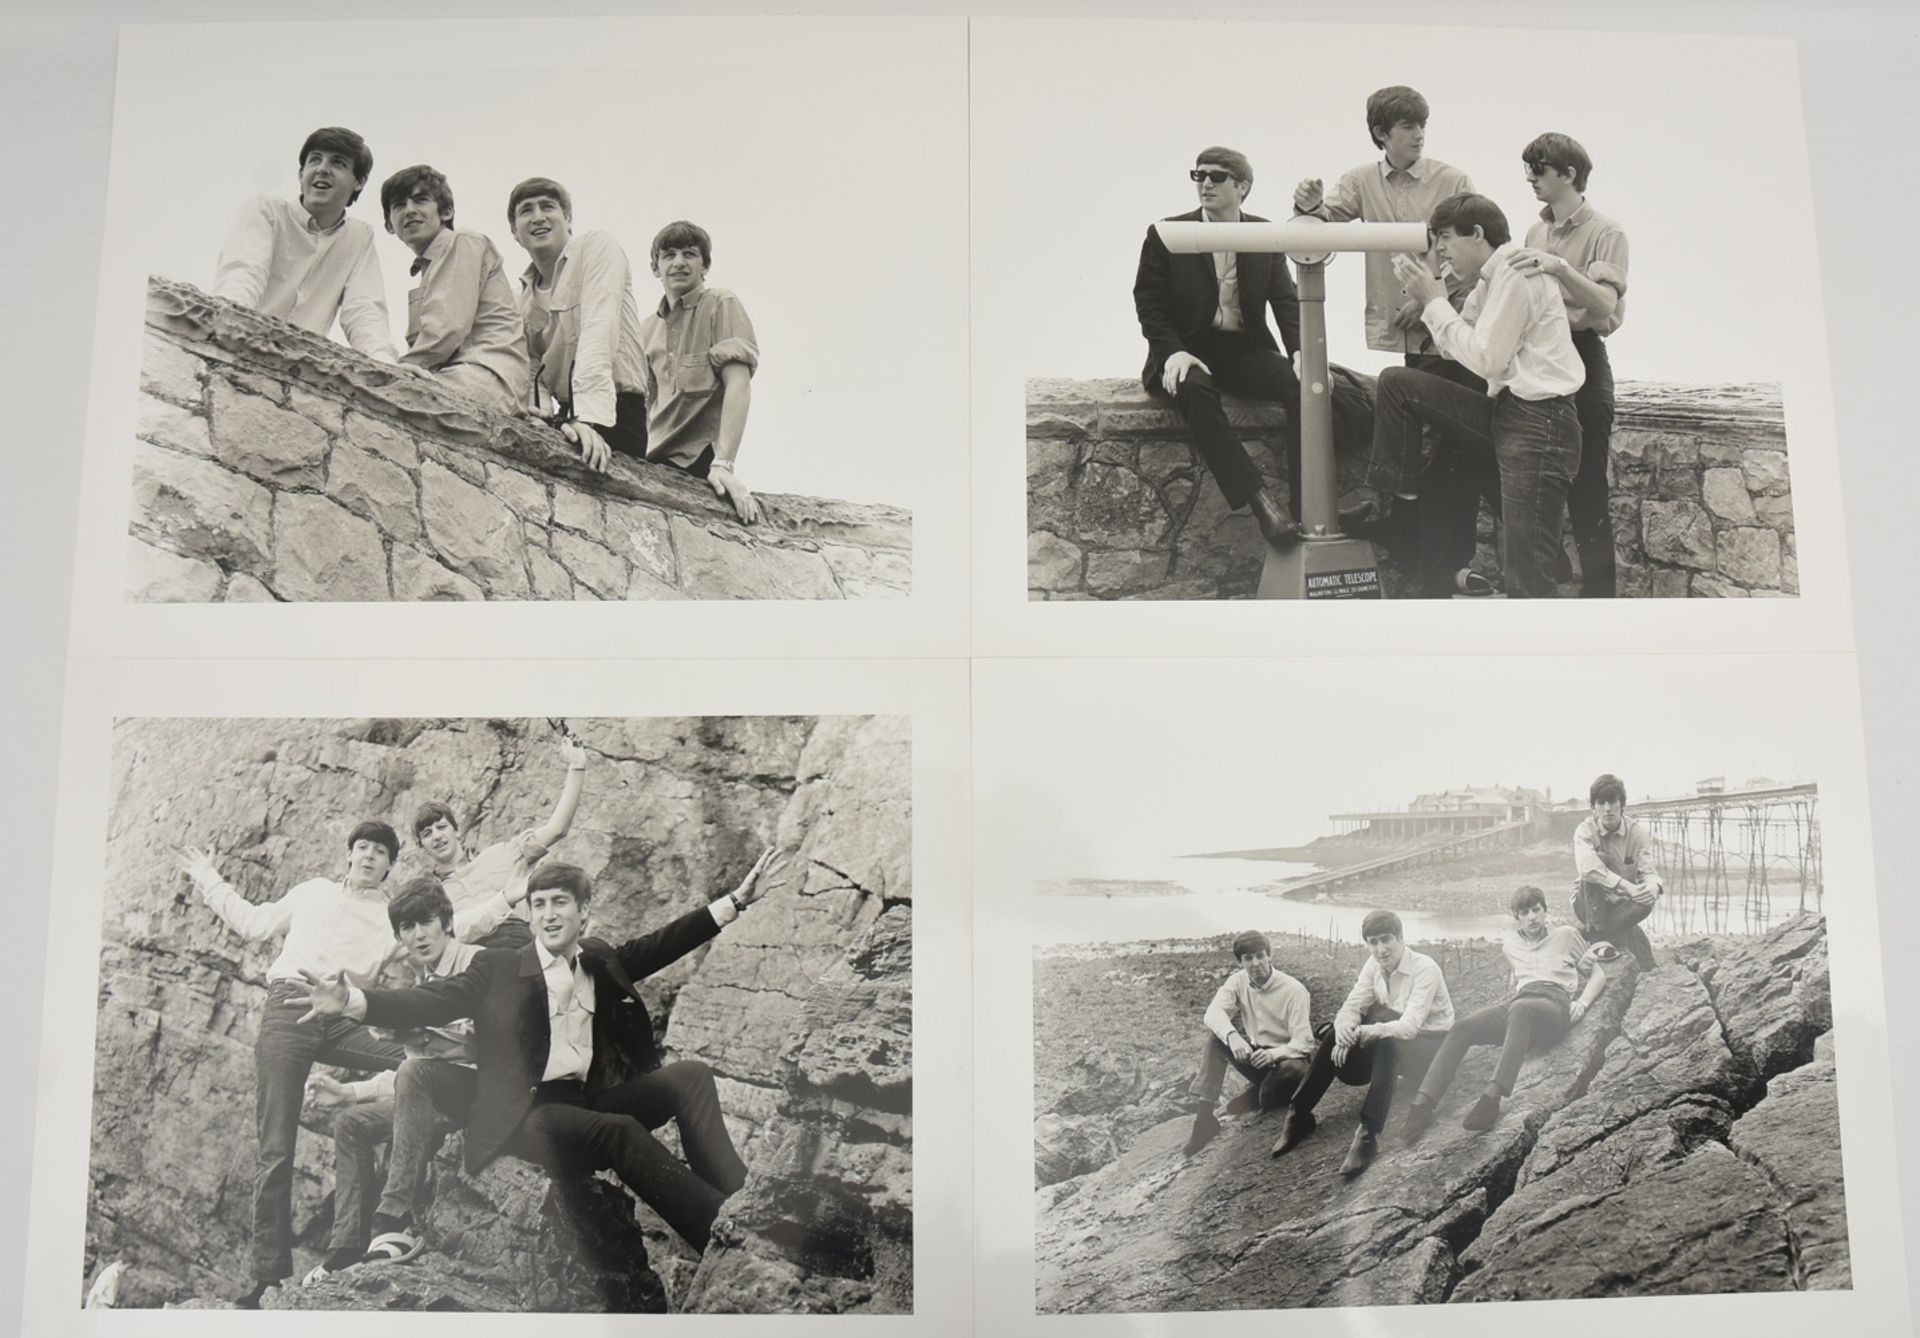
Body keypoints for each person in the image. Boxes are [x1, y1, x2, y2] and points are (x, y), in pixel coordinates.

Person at [292, 849, 794, 1254]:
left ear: (583, 911)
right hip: (525, 1117)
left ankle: (740, 1200)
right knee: (617, 1133)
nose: (550, 914)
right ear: (529, 914)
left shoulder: (596, 958)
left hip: (587, 1102)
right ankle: (723, 1234)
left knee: (690, 1076)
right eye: (540, 905)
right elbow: (428, 999)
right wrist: (353, 1001)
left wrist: (734, 903)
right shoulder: (499, 969)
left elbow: (659, 945)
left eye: (560, 902)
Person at [176, 823, 410, 1309]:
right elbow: (255, 923)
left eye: (381, 851)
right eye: (363, 847)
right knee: (277, 1146)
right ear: (349, 854)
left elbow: (451, 927)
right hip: (288, 1010)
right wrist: (206, 876)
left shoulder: (392, 917)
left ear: (390, 865)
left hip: (342, 1017)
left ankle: (373, 1232)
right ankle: (267, 1279)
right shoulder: (314, 892)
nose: (369, 856)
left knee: (419, 1064)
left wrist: (507, 899)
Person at [1294, 87, 1491, 590]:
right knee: (1428, 446)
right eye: (1407, 126)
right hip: (1410, 339)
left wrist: (1432, 298)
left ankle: (1439, 555)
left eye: (1422, 124)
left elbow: (1475, 250)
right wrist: (1310, 206)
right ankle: (1432, 558)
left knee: (1454, 453)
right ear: (1382, 134)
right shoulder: (1362, 181)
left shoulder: (1452, 180)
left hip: (1457, 334)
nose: (1419, 134)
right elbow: (1321, 225)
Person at [1352, 193, 1586, 599]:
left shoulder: (1518, 273)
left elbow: (1487, 361)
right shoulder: (1488, 282)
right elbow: (1454, 346)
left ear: (1477, 234)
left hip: (1541, 424)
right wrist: (1434, 288)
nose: (1440, 248)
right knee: (1398, 382)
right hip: (1509, 413)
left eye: (1445, 238)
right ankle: (1404, 510)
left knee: (1527, 582)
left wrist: (1433, 300)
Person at [303, 878, 484, 1280]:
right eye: (406, 927)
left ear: (448, 921)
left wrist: (436, 1038)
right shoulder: (423, 985)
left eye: (426, 922)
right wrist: (349, 1092)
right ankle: (346, 1247)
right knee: (351, 1123)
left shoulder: (478, 963)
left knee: (417, 1071)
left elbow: (502, 1048)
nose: (418, 935)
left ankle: (392, 1220)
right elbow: (408, 1079)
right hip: (438, 1099)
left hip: (488, 1095)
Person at [1134, 146, 1306, 550]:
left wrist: (1301, 353)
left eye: (1217, 176)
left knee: (1304, 385)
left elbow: (1286, 301)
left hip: (1242, 351)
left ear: (1242, 186)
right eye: (1199, 175)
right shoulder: (1166, 233)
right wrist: (1171, 352)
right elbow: (1149, 303)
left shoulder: (1265, 235)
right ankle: (1263, 505)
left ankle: (1305, 507)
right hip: (1186, 349)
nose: (1205, 183)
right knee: (1193, 389)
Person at [1512, 133, 1630, 598]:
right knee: (1537, 477)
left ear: (1568, 175)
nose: (1530, 179)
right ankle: (1551, 582)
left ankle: (1600, 598)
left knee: (1588, 485)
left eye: (1539, 170)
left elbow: (1604, 307)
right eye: (1529, 169)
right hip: (1542, 357)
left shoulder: (1607, 232)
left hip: (1583, 355)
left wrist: (1560, 268)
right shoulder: (1534, 231)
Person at [1401, 885, 1608, 1141]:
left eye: (1536, 910)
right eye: (1525, 912)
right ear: (1516, 917)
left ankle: (1492, 1099)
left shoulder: (1567, 935)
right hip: (1522, 1005)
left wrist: (1583, 1003)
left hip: (1554, 1007)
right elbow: (1520, 982)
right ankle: (1423, 1104)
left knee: (1521, 1009)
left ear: (1545, 912)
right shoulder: (1510, 947)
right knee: (1464, 1026)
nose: (1532, 917)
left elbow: (1598, 974)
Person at [1272, 910, 1454, 1176]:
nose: (1380, 949)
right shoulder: (1373, 966)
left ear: (1401, 937)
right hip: (1397, 1043)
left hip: (1432, 1050)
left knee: (1385, 1038)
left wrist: (1365, 1031)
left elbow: (1410, 1026)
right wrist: (1345, 1030)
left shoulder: (1425, 968)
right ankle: (1299, 1113)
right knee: (1337, 1034)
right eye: (1373, 942)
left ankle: (1368, 1132)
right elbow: (1352, 1005)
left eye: (1385, 940)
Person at [212, 127, 397, 361]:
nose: (322, 169)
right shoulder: (266, 211)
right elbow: (244, 273)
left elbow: (364, 309)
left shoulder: (359, 238)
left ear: (359, 182)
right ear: (301, 174)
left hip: (299, 369)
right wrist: (228, 323)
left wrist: (385, 362)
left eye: (337, 163)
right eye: (315, 160)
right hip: (238, 346)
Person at [506, 177, 651, 476]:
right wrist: (540, 417)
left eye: (548, 206)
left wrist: (588, 418)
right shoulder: (521, 299)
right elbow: (532, 367)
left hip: (613, 411)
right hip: (565, 417)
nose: (538, 217)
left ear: (568, 219)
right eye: (526, 211)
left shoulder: (596, 247)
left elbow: (600, 327)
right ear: (514, 232)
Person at [410, 733, 589, 951]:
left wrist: (576, 767)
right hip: (473, 964)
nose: (437, 836)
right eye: (427, 833)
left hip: (521, 949)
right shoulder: (430, 895)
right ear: (422, 847)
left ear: (457, 831)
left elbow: (557, 830)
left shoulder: (502, 854)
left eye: (441, 827)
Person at [637, 221, 764, 524]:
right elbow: (645, 404)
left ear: (705, 265)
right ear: (656, 268)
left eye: (689, 254)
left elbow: (738, 385)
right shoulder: (646, 330)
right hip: (653, 460)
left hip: (700, 461)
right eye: (669, 255)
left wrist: (724, 464)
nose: (678, 262)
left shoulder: (720, 304)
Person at [379, 164, 530, 414]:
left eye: (420, 200)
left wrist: (396, 369)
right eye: (398, 205)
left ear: (446, 211)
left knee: (383, 395)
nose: (409, 211)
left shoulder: (461, 241)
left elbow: (446, 329)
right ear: (389, 224)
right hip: (465, 375)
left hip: (485, 374)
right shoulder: (430, 266)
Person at [1182, 930, 1314, 1155]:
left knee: (1267, 1099)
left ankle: (1257, 1095)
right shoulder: (1238, 981)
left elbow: (1305, 1042)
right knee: (1217, 1040)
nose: (1255, 964)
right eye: (1248, 958)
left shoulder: (1294, 990)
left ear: (1269, 956)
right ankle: (1204, 1122)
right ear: (1240, 962)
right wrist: (1233, 1037)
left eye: (1260, 956)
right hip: (1257, 1058)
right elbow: (1213, 1013)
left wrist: (1275, 1055)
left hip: (1289, 1060)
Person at [1571, 773, 1662, 970]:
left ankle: (1596, 936)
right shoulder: (1584, 830)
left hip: (1619, 907)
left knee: (1646, 902)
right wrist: (1628, 887)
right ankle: (1596, 936)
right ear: (1593, 807)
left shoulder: (1638, 834)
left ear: (1622, 804)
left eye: (1612, 801)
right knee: (1598, 860)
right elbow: (1587, 868)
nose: (1607, 808)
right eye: (1601, 802)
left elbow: (1649, 871)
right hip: (1587, 905)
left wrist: (1653, 887)